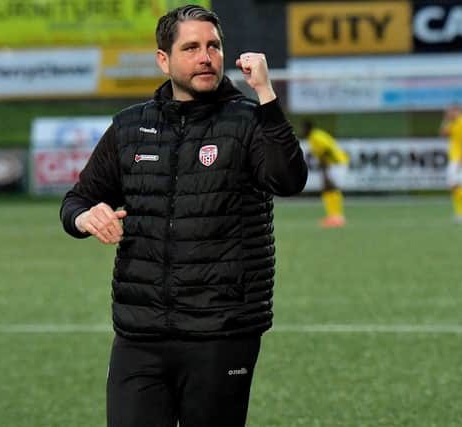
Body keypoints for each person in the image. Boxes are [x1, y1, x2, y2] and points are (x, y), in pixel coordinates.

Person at [60, 5, 308, 427]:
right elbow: (77, 200)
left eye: (213, 46)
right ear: (164, 59)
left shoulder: (247, 122)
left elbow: (288, 180)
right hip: (140, 333)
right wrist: (84, 218)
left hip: (221, 332)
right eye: (191, 47)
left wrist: (266, 96)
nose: (206, 56)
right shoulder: (129, 127)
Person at [302, 120, 348, 228]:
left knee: (331, 188)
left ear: (308, 128)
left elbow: (326, 151)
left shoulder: (315, 137)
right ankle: (333, 216)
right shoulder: (314, 136)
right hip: (333, 164)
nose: (301, 131)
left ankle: (337, 217)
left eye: (303, 128)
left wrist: (325, 168)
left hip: (336, 164)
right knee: (328, 189)